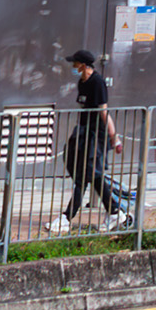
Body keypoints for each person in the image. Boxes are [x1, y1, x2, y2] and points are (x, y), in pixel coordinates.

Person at [52, 52, 128, 233]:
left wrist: (114, 137)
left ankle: (66, 217)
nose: (73, 67)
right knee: (93, 176)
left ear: (84, 65)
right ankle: (115, 212)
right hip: (83, 132)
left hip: (97, 135)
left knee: (84, 175)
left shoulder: (98, 83)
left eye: (75, 64)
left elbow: (104, 112)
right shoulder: (82, 83)